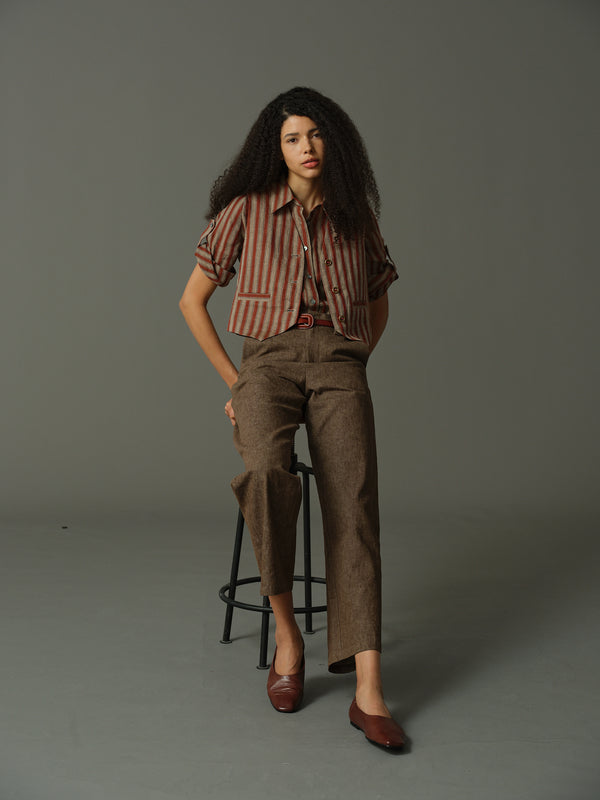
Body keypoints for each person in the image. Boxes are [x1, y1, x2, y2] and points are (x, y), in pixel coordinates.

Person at [179, 87, 406, 751]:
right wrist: (237, 380)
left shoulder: (353, 216)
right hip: (267, 364)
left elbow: (380, 297)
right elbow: (193, 301)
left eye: (315, 135)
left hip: (338, 363)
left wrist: (355, 356)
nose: (306, 148)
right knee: (268, 476)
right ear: (273, 149)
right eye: (292, 138)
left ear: (334, 142)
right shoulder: (245, 210)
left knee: (354, 506)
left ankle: (369, 690)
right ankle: (287, 637)